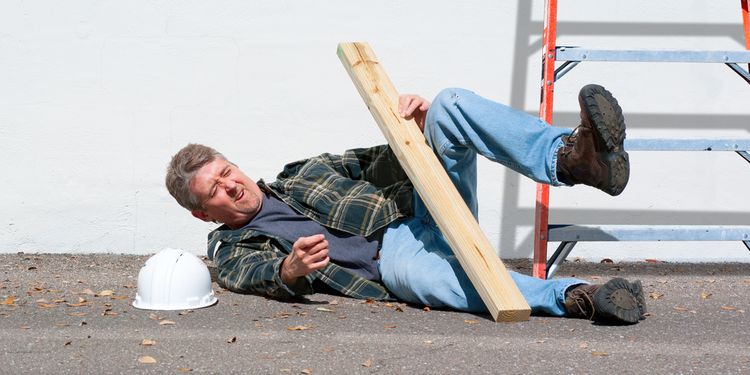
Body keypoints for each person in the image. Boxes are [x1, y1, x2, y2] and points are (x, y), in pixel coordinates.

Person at [166, 85, 646, 324]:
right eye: (214, 191)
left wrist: (416, 129)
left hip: (422, 209)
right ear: (202, 212)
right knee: (420, 278)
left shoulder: (302, 173)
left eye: (226, 172)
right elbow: (248, 274)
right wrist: (289, 272)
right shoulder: (230, 244)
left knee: (448, 104)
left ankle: (573, 160)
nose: (230, 186)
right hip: (393, 259)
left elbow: (383, 159)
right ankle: (575, 297)